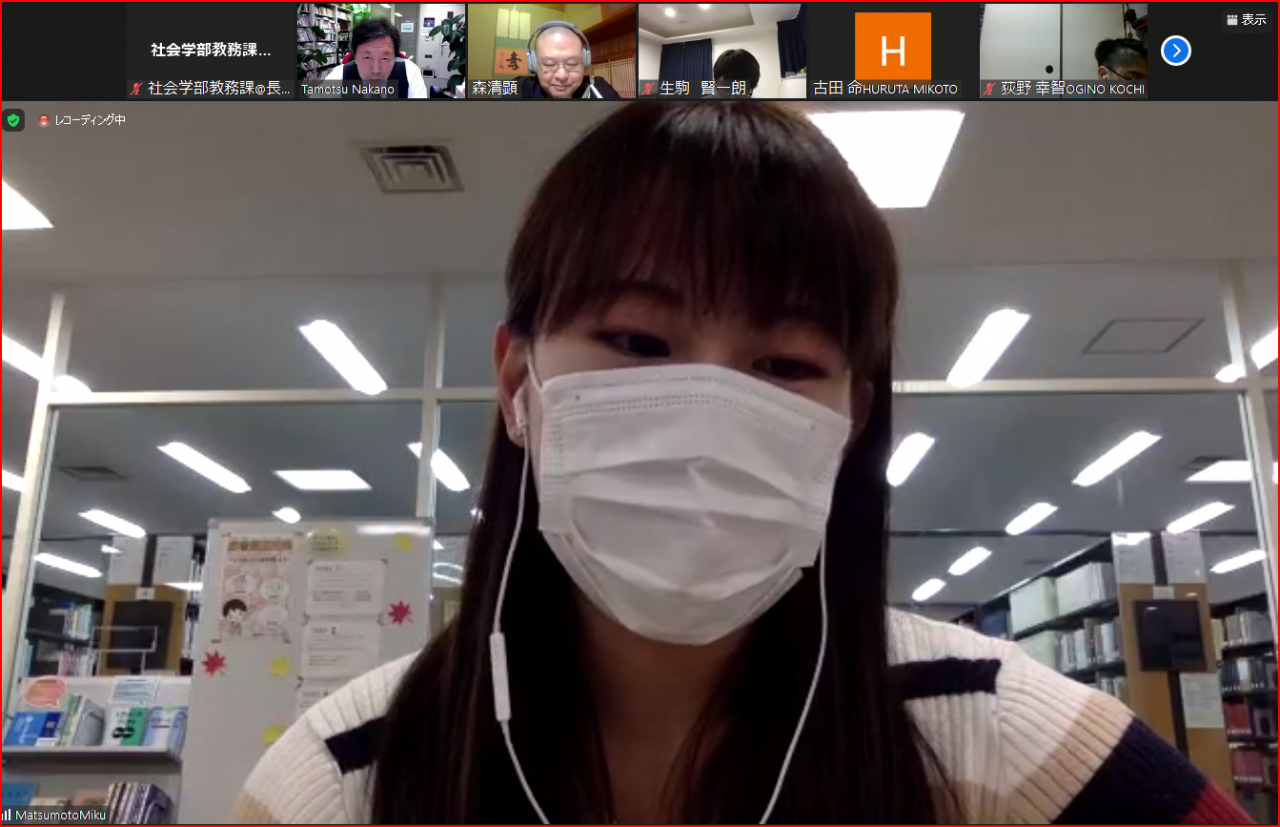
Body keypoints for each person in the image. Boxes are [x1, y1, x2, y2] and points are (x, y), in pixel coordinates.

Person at [233, 103, 1253, 824]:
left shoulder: (994, 729)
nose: (710, 411)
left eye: (785, 364)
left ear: (850, 419)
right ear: (517, 383)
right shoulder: (342, 778)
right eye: (638, 340)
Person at [325, 18, 428, 99]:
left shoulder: (409, 73)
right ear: (355, 56)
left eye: (385, 58)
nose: (376, 70)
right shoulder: (340, 76)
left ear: (395, 57)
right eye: (367, 58)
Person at [518, 21, 621, 99]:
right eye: (549, 64)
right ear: (533, 63)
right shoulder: (518, 87)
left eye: (573, 63)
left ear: (585, 62)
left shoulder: (600, 89)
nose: (562, 76)